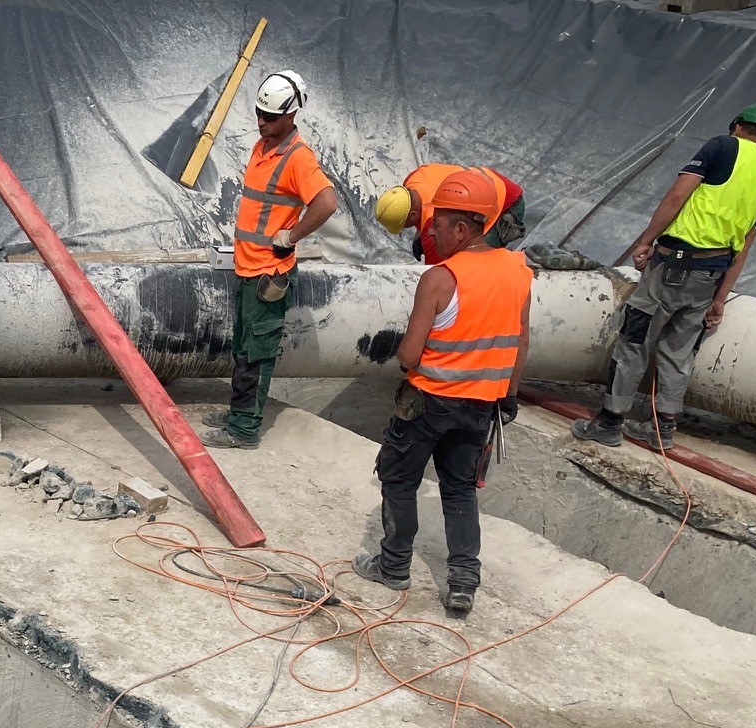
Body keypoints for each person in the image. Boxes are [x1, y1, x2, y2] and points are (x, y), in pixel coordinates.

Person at [351, 171, 533, 618]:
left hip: (428, 403)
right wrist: (508, 396)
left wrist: (395, 347)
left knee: (398, 479)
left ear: (463, 227)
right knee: (459, 492)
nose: (429, 230)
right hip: (481, 407)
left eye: (438, 222)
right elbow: (521, 341)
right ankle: (463, 584)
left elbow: (411, 356)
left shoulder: (440, 278)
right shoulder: (518, 271)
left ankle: (393, 566)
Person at [570, 104, 756, 451]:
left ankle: (610, 422)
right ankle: (662, 429)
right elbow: (745, 245)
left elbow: (677, 195)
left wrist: (645, 240)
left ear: (738, 125)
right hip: (709, 275)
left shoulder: (722, 146)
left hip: (673, 266)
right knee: (679, 352)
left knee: (635, 340)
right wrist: (720, 298)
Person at [206, 68, 339, 450]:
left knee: (258, 353)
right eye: (259, 114)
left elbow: (326, 202)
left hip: (269, 273)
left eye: (271, 117)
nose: (262, 122)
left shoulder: (298, 158)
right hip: (248, 268)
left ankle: (244, 429)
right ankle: (237, 415)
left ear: (292, 114)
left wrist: (292, 236)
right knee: (243, 348)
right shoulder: (262, 146)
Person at [375, 163, 526, 263]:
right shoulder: (413, 179)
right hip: (489, 181)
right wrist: (419, 233)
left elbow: (438, 277)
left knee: (478, 260)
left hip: (505, 202)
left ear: (413, 215)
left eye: (404, 225)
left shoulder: (433, 223)